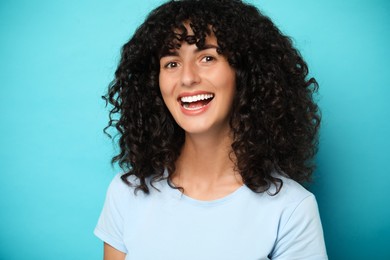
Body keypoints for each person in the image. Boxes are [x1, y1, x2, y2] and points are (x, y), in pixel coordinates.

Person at [94, 0, 327, 259]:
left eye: (207, 58)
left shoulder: (292, 208)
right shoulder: (126, 192)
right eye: (171, 63)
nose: (187, 77)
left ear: (245, 74)